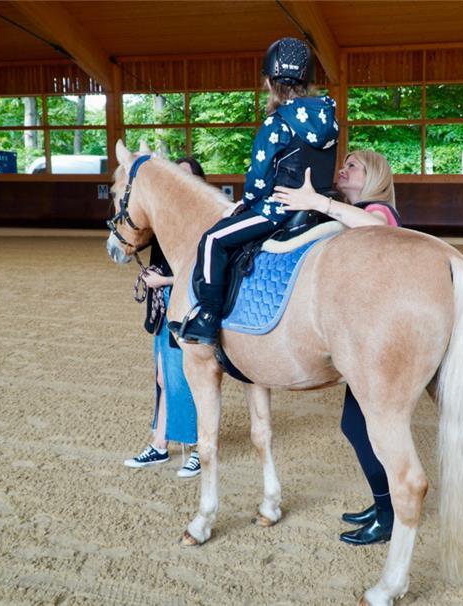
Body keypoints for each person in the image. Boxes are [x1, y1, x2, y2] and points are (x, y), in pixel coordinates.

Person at [175, 37, 339, 345]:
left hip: (278, 209)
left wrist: (246, 202)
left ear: (268, 81)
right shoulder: (331, 119)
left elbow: (259, 179)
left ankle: (208, 317)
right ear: (309, 81)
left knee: (212, 240)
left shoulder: (275, 122)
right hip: (318, 208)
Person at [272, 150, 399, 546]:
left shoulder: (378, 210)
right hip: (361, 336)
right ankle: (386, 505)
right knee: (360, 426)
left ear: (374, 176)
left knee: (363, 427)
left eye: (353, 166)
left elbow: (377, 226)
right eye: (343, 164)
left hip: (377, 337)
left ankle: (388, 512)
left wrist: (320, 203)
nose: (343, 170)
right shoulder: (351, 210)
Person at [124, 156, 206, 478]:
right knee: (162, 376)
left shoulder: (203, 220)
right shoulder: (164, 218)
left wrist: (167, 281)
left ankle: (199, 445)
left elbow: (203, 272)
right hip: (162, 302)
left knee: (187, 376)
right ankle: (159, 443)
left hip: (187, 301)